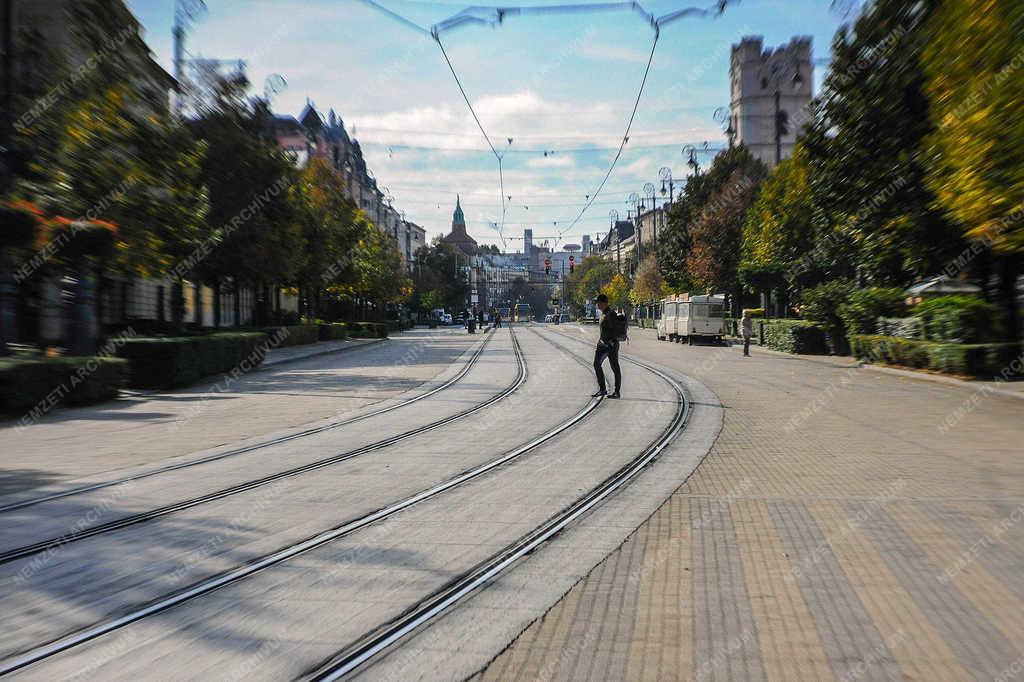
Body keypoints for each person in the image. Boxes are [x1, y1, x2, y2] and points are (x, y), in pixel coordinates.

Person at [593, 294, 621, 399]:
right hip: (602, 344)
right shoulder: (603, 314)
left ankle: (617, 391)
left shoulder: (611, 314)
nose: (597, 304)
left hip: (611, 345)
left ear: (604, 303)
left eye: (598, 302)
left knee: (615, 367)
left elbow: (615, 330)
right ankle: (603, 389)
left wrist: (611, 341)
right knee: (596, 364)